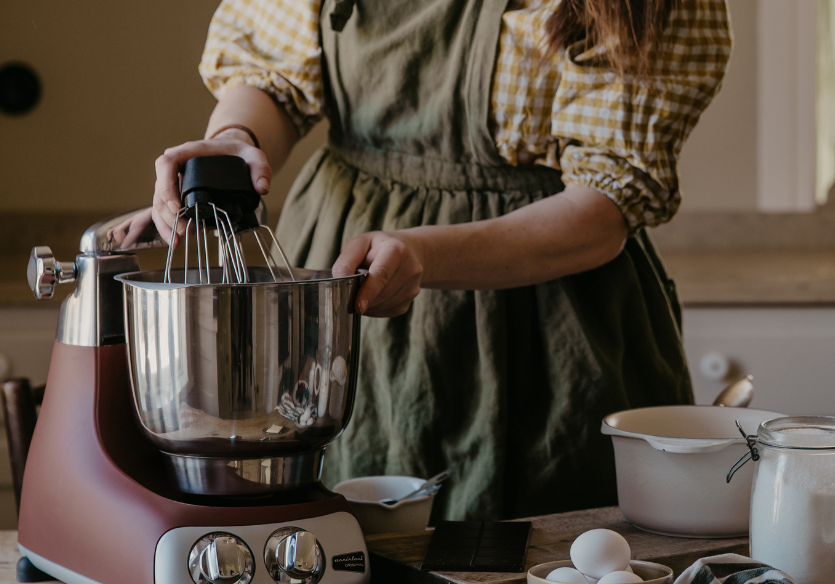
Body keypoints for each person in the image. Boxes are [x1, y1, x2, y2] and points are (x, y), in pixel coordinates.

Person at [132, 0, 731, 520]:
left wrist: (424, 251)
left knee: (556, 560)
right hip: (346, 300)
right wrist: (237, 138)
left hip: (550, 318)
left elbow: (603, 210)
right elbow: (275, 80)